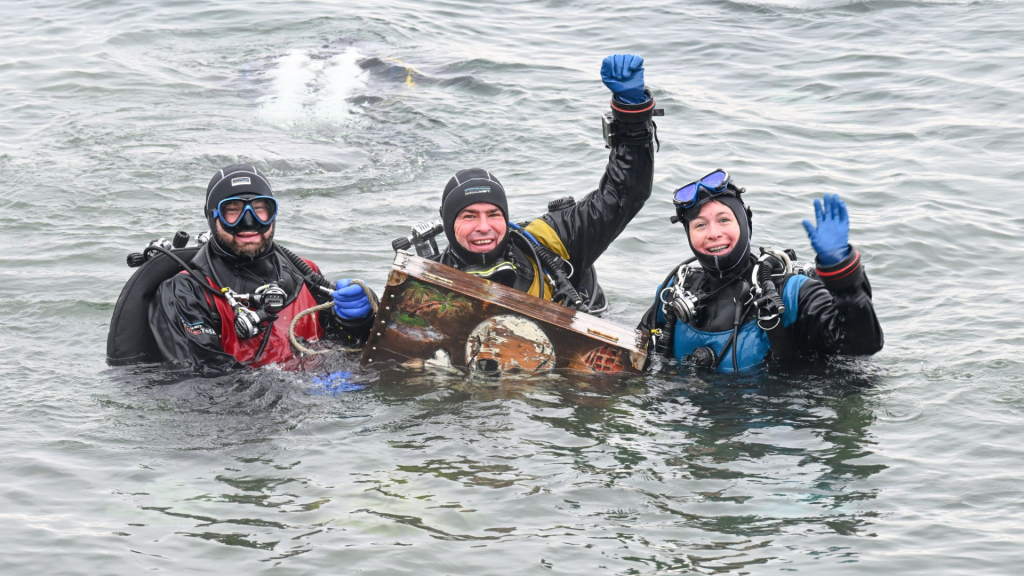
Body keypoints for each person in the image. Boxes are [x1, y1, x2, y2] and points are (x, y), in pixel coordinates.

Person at [429, 54, 658, 312]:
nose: (484, 227)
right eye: (469, 216)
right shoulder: (426, 283)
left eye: (493, 214)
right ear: (449, 223)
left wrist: (632, 116)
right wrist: (370, 318)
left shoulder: (550, 241)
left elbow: (623, 194)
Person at [641, 169, 883, 372]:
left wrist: (841, 272)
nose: (713, 233)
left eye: (724, 220)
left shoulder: (791, 294)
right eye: (700, 225)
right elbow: (637, 349)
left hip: (778, 425)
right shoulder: (676, 292)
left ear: (746, 223)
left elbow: (861, 345)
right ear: (689, 235)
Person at [149, 164, 376, 372]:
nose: (249, 222)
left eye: (259, 209)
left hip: (314, 406)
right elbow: (200, 378)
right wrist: (297, 389)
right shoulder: (186, 290)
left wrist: (358, 321)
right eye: (233, 211)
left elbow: (347, 344)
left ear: (272, 214)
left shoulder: (306, 272)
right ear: (213, 217)